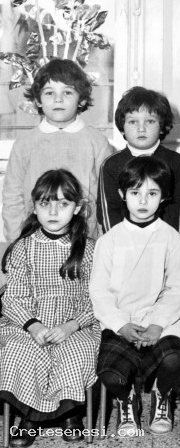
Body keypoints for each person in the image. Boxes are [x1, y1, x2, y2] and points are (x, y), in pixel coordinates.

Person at [89, 156, 180, 436]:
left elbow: (179, 287)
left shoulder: (172, 239)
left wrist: (158, 324)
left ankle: (162, 394)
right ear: (122, 194)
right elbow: (99, 291)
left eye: (152, 193)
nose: (143, 201)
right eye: (135, 193)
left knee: (173, 358)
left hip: (163, 321)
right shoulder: (109, 240)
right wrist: (120, 324)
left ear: (164, 197)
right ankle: (127, 400)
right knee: (110, 373)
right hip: (121, 322)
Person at [0, 170, 99, 447]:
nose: (53, 212)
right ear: (34, 207)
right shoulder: (23, 247)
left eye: (63, 204)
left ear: (77, 208)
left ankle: (69, 415)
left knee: (76, 351)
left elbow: (97, 297)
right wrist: (33, 326)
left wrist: (71, 325)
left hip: (75, 323)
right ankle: (28, 417)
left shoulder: (89, 249)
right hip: (28, 323)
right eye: (45, 203)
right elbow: (13, 297)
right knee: (20, 349)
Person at [2, 58, 114, 242]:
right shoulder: (25, 143)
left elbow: (108, 198)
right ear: (38, 100)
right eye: (49, 93)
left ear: (81, 99)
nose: (58, 99)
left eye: (67, 92)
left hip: (85, 242)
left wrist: (103, 243)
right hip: (34, 241)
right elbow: (12, 197)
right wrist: (17, 240)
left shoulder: (97, 142)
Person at [98, 87, 180, 244]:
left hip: (164, 246)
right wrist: (119, 246)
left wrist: (170, 247)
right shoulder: (111, 165)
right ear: (122, 126)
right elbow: (108, 211)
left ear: (162, 126)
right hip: (123, 247)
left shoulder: (175, 162)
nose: (141, 128)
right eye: (133, 121)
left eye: (150, 121)